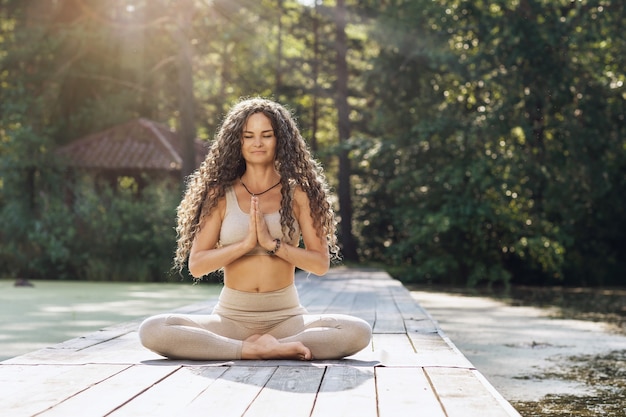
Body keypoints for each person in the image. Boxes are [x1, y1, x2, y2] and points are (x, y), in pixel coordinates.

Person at [139, 97, 372, 361]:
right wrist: (245, 244)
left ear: (280, 140)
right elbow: (197, 265)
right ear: (238, 141)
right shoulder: (219, 194)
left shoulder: (299, 195)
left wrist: (274, 244)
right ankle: (255, 349)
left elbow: (319, 264)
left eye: (266, 135)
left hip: (287, 319)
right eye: (248, 136)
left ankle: (270, 344)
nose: (257, 143)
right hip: (231, 318)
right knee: (153, 329)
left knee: (358, 331)